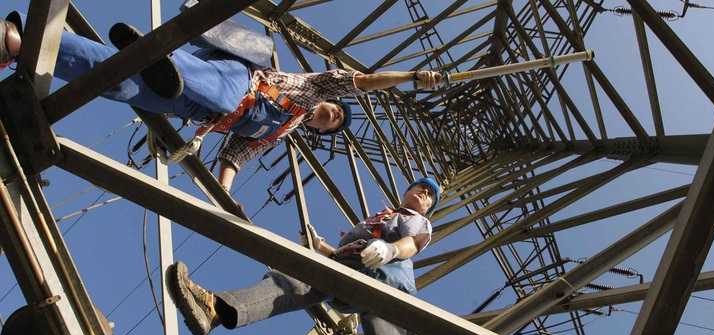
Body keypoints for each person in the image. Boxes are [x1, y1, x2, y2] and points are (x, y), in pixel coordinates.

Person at [0, 13, 442, 192]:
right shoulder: (317, 89)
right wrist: (412, 78)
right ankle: (162, 61)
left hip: (195, 109)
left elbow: (235, 153)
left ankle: (21, 46)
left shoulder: (278, 134)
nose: (332, 114)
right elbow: (364, 81)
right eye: (336, 111)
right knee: (215, 88)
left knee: (120, 81)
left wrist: (223, 191)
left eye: (332, 122)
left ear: (319, 131)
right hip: (238, 82)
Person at [166, 177, 441, 335]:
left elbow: (413, 244)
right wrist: (318, 246)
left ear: (428, 208)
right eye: (420, 187)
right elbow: (347, 252)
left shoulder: (417, 221)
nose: (424, 193)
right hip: (344, 270)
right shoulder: (381, 216)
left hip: (384, 277)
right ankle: (217, 309)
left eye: (430, 196)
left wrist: (392, 250)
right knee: (296, 281)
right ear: (405, 191)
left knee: (381, 315)